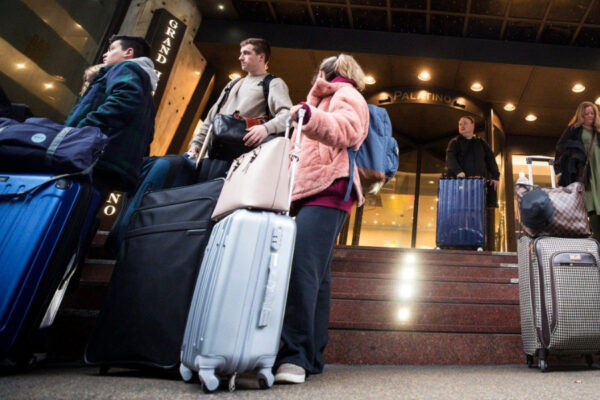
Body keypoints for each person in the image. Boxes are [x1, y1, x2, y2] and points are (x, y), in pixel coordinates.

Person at [273, 54, 369, 384]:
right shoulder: (327, 97)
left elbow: (348, 130)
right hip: (314, 189)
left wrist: (311, 115)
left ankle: (294, 354)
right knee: (317, 275)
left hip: (329, 187)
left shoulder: (345, 93)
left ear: (332, 71)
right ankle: (310, 355)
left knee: (302, 268)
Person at [65, 35, 158, 202]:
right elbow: (149, 132)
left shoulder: (127, 68)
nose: (105, 54)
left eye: (112, 49)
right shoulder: (146, 91)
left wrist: (81, 129)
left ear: (128, 52)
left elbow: (123, 101)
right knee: (82, 213)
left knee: (69, 207)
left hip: (94, 156)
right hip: (113, 162)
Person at [187, 38, 292, 180]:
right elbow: (213, 117)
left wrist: (266, 128)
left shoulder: (273, 83)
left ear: (261, 57)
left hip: (241, 158)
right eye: (241, 53)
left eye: (246, 53)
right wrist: (197, 144)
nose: (240, 57)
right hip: (213, 155)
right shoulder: (233, 84)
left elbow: (288, 115)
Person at [554, 101, 600, 239]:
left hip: (599, 169)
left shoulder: (598, 130)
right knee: (590, 201)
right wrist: (562, 169)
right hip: (586, 172)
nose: (590, 116)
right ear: (581, 115)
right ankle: (595, 235)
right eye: (586, 114)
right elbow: (561, 148)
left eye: (592, 113)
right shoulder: (573, 130)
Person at [445, 115, 500, 207]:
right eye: (460, 124)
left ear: (473, 125)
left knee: (478, 213)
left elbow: (491, 160)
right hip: (461, 184)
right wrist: (458, 171)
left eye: (465, 123)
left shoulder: (482, 143)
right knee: (460, 211)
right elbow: (450, 158)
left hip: (479, 185)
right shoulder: (455, 142)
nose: (462, 126)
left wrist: (495, 177)